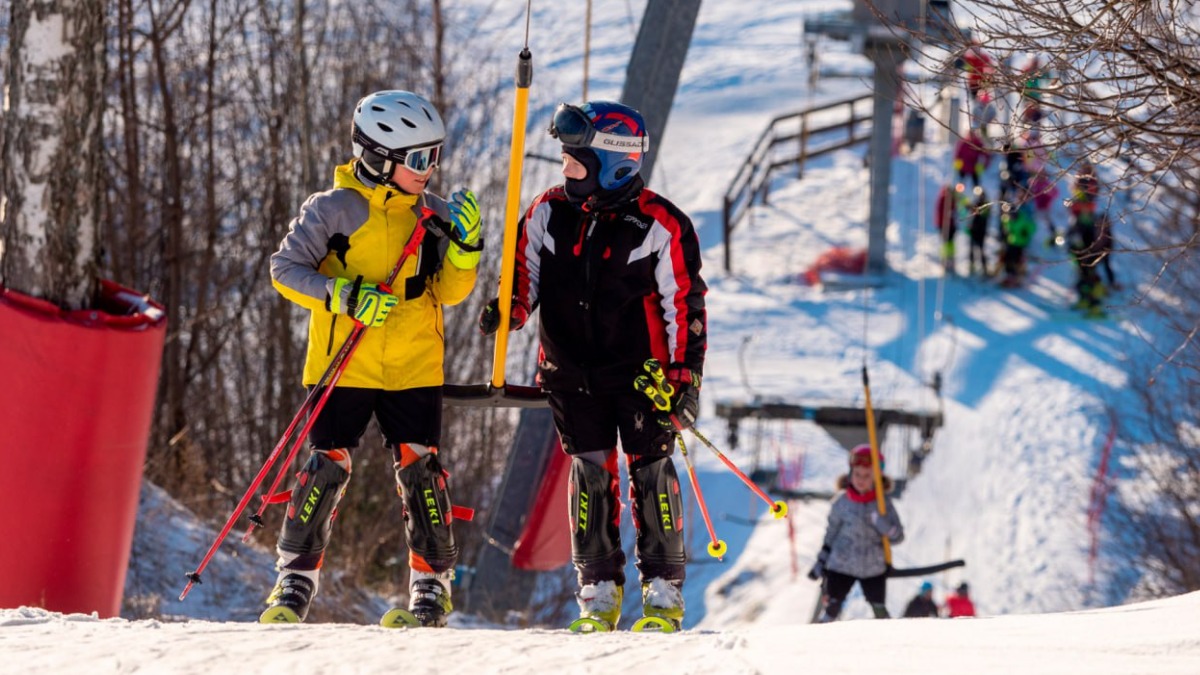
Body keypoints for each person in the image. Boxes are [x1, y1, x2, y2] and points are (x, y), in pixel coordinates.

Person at [478, 100, 707, 631]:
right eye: (564, 160)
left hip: (641, 377)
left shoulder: (659, 223)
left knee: (649, 471)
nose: (564, 170)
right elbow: (523, 274)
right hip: (570, 373)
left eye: (576, 162)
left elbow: (685, 306)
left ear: (614, 163)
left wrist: (683, 379)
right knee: (589, 474)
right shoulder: (546, 212)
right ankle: (598, 588)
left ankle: (663, 588)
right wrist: (508, 309)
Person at [263, 90, 484, 626]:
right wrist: (343, 295)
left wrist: (465, 250)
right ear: (379, 159)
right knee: (324, 468)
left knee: (422, 471)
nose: (428, 170)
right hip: (345, 359)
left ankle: (431, 587)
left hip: (414, 360)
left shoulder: (430, 214)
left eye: (433, 155)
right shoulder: (333, 209)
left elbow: (450, 292)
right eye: (416, 160)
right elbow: (285, 270)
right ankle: (293, 582)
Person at [807, 445, 905, 622]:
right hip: (841, 565)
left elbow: (898, 536)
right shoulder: (842, 502)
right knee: (832, 606)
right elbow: (830, 534)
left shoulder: (883, 504)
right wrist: (821, 561)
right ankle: (820, 634)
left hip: (873, 567)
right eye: (857, 474)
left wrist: (883, 525)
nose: (861, 480)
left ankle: (889, 640)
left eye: (867, 476)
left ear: (876, 478)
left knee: (879, 609)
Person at [999, 184, 1037, 288]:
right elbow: (1005, 222)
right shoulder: (1010, 219)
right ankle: (1009, 275)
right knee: (1008, 258)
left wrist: (1026, 232)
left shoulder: (1023, 217)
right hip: (1012, 241)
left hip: (1021, 242)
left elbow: (1032, 226)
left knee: (1018, 259)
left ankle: (1017, 276)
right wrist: (1005, 231)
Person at [967, 187, 992, 277]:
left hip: (981, 231)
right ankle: (972, 267)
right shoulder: (976, 203)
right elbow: (970, 214)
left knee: (981, 250)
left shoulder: (986, 205)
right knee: (972, 250)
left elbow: (985, 215)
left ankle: (984, 269)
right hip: (974, 230)